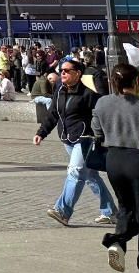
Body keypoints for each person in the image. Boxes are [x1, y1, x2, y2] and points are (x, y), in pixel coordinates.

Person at [92, 63, 139, 273]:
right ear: (137, 81)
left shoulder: (103, 102)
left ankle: (118, 244)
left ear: (113, 82)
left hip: (113, 160)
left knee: (125, 207)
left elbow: (97, 131)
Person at [35, 58, 115, 227]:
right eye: (61, 71)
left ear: (78, 73)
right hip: (67, 139)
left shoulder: (88, 95)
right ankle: (111, 212)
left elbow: (102, 115)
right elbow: (53, 114)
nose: (62, 73)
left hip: (84, 139)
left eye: (66, 70)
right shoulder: (59, 91)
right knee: (91, 176)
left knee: (76, 172)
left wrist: (100, 136)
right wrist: (41, 133)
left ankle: (63, 211)